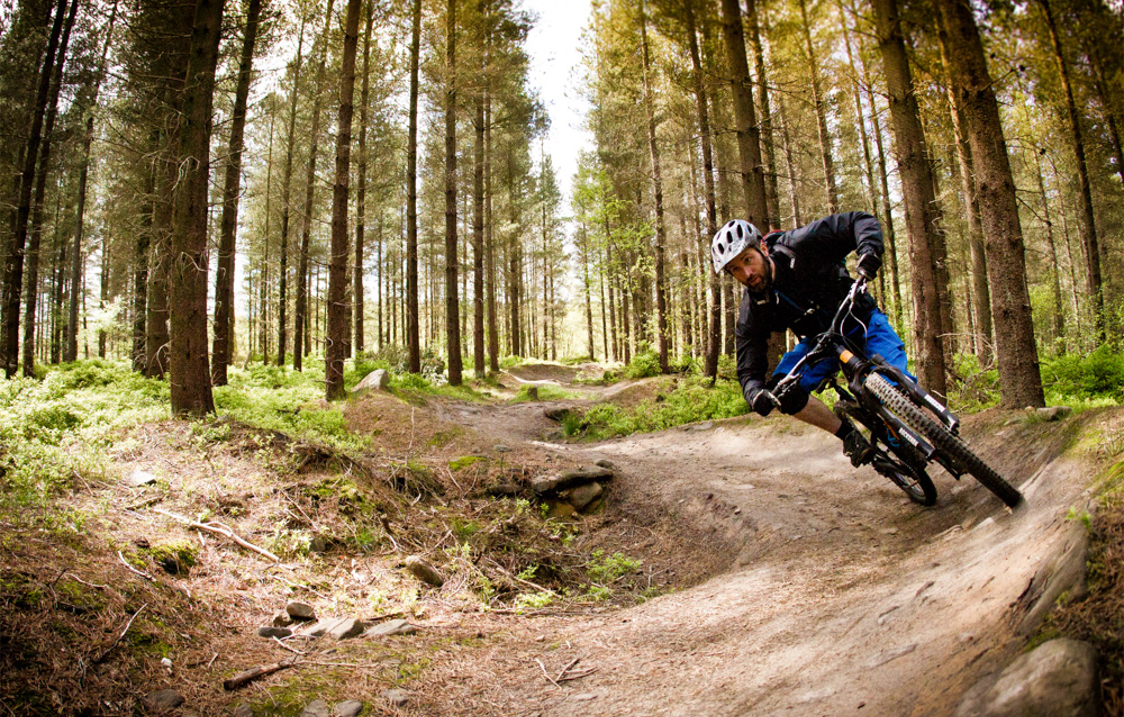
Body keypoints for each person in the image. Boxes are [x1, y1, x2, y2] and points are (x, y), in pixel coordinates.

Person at [711, 211, 913, 467]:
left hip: (860, 319)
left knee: (895, 383)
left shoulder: (798, 245)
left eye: (748, 260)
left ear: (763, 248)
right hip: (822, 343)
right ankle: (848, 436)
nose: (747, 273)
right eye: (736, 270)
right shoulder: (754, 306)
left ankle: (919, 430)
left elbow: (858, 221)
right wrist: (754, 392)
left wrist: (869, 251)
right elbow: (748, 363)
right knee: (783, 391)